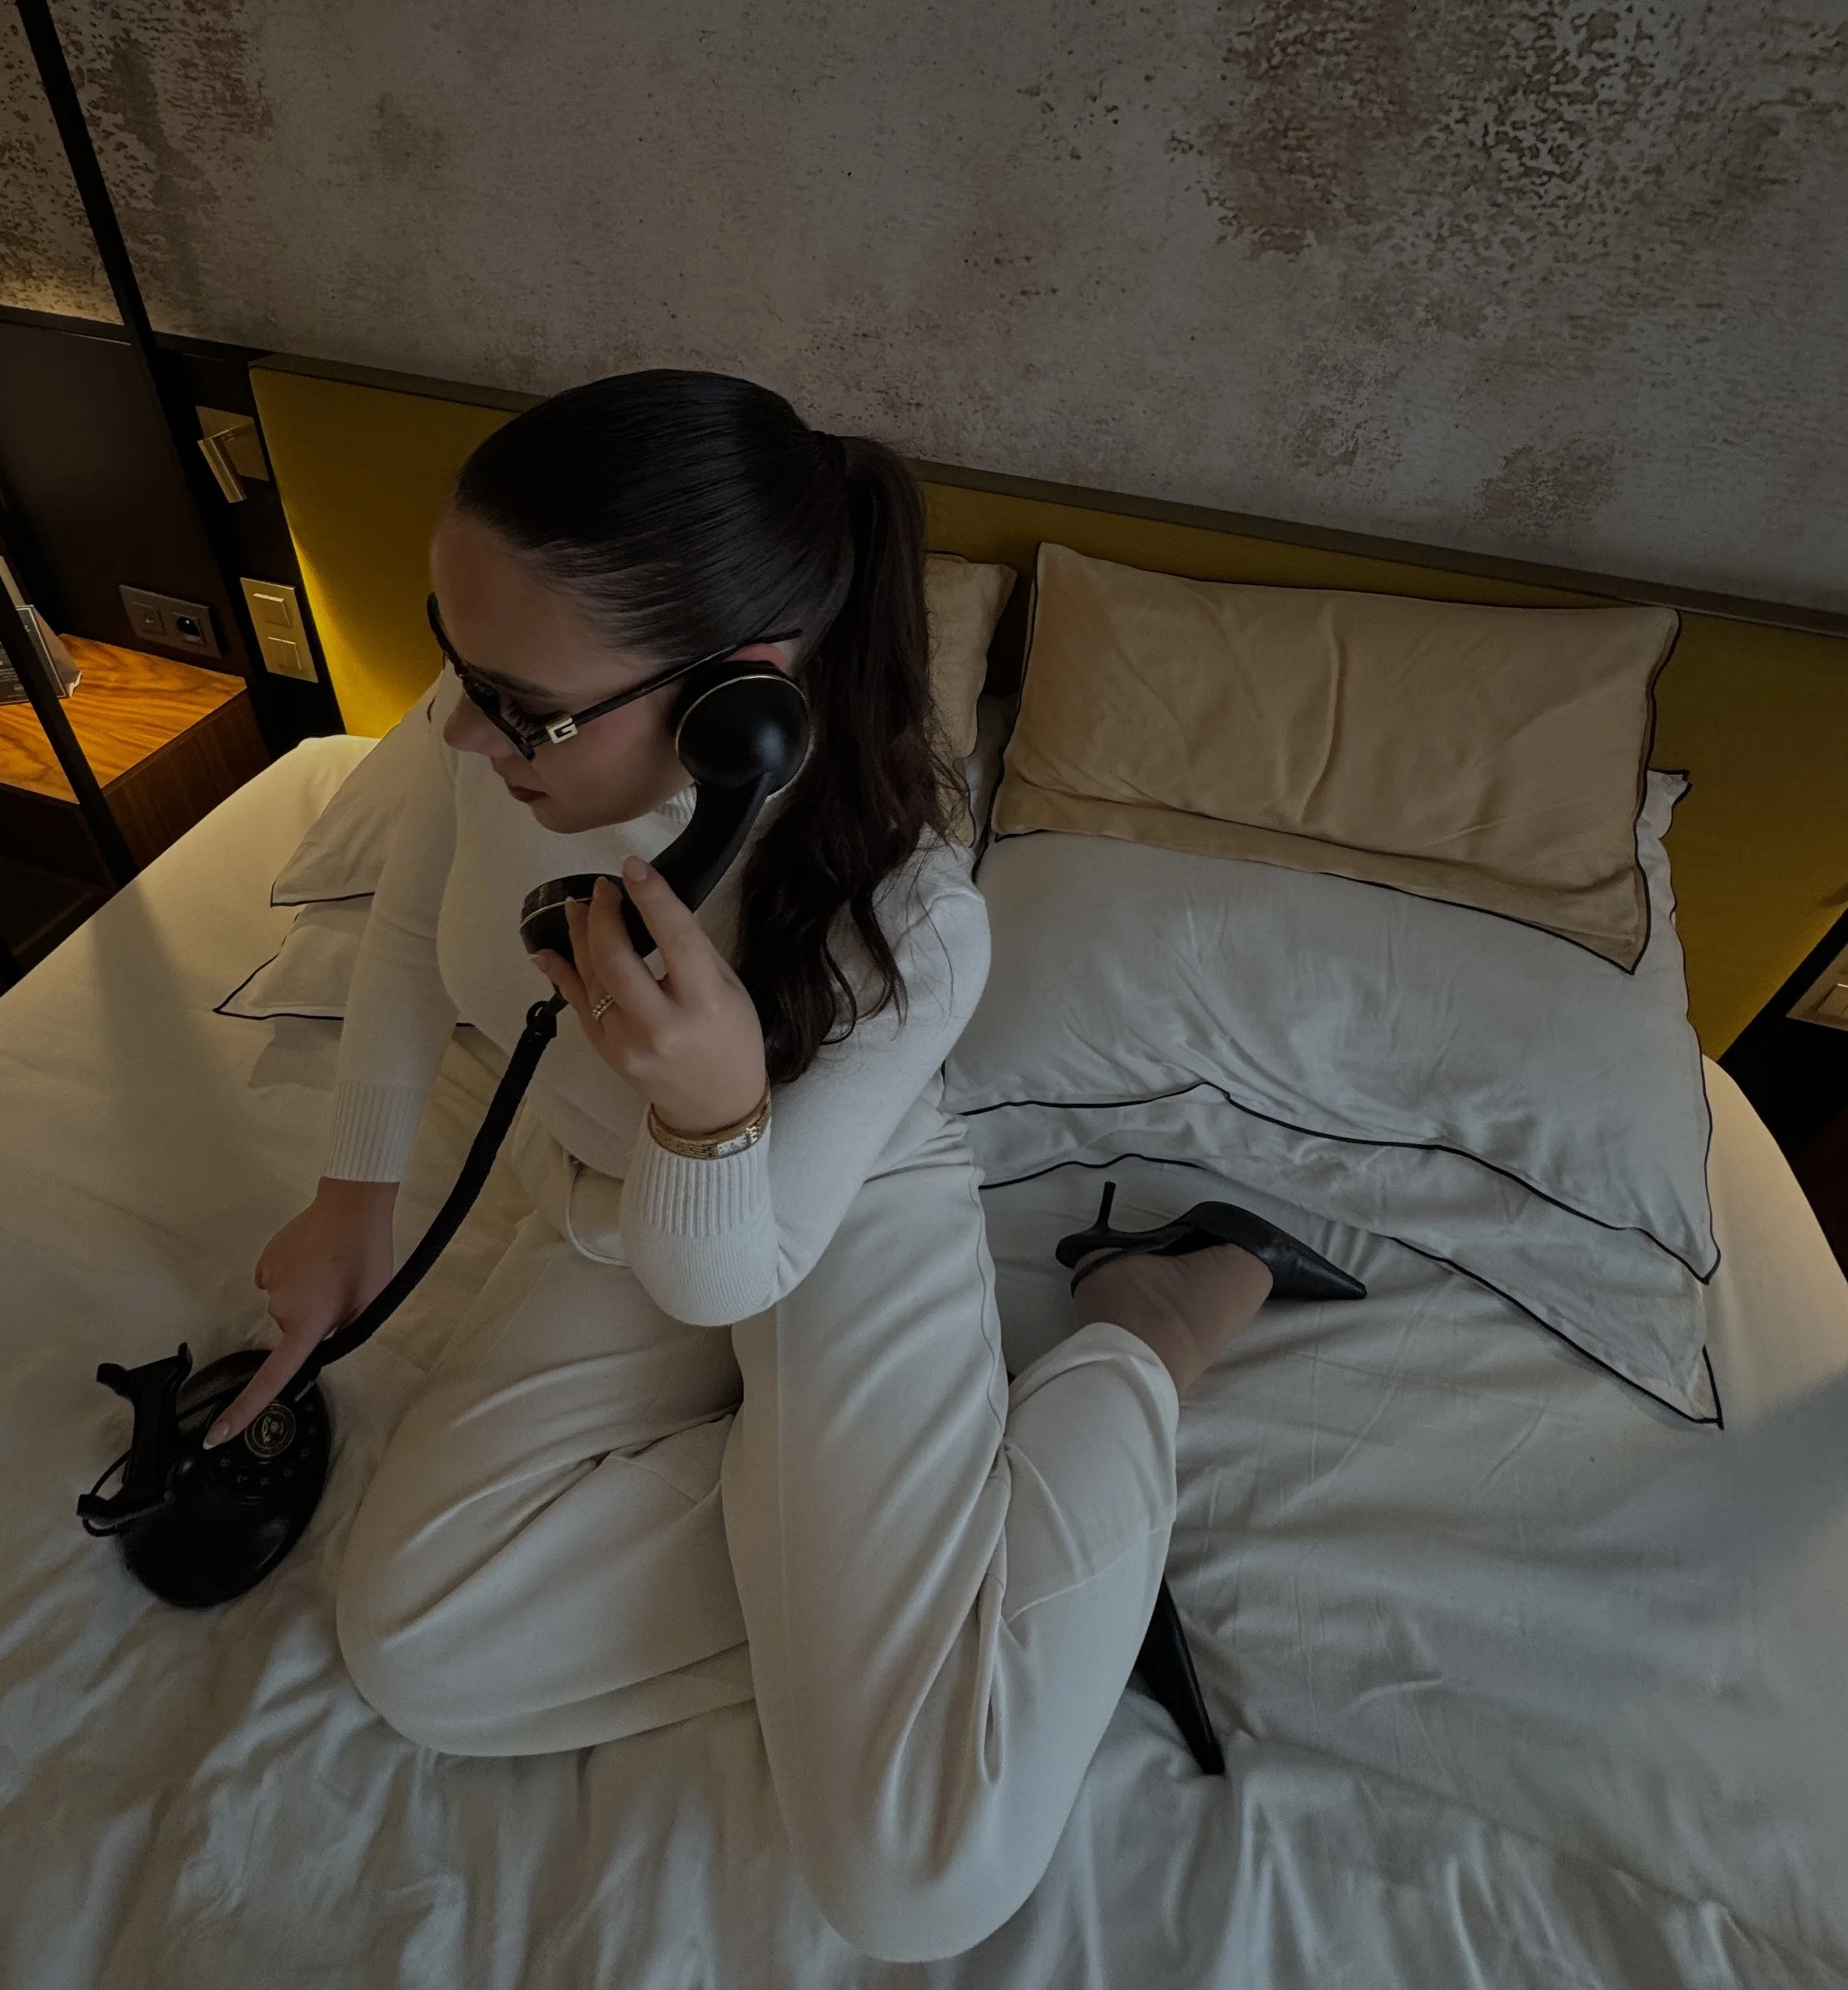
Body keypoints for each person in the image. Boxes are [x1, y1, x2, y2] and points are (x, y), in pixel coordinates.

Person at [213, 368, 1357, 1961]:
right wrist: (357, 1197)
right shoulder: (494, 726)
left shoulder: (911, 924)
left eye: (519, 706)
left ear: (733, 705)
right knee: (419, 1646)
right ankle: (884, 1553)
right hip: (611, 1216)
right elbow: (414, 924)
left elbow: (731, 1271)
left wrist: (713, 1110)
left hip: (823, 1223)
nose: (464, 728)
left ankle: (1148, 1322)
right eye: (452, 661)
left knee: (918, 1874)